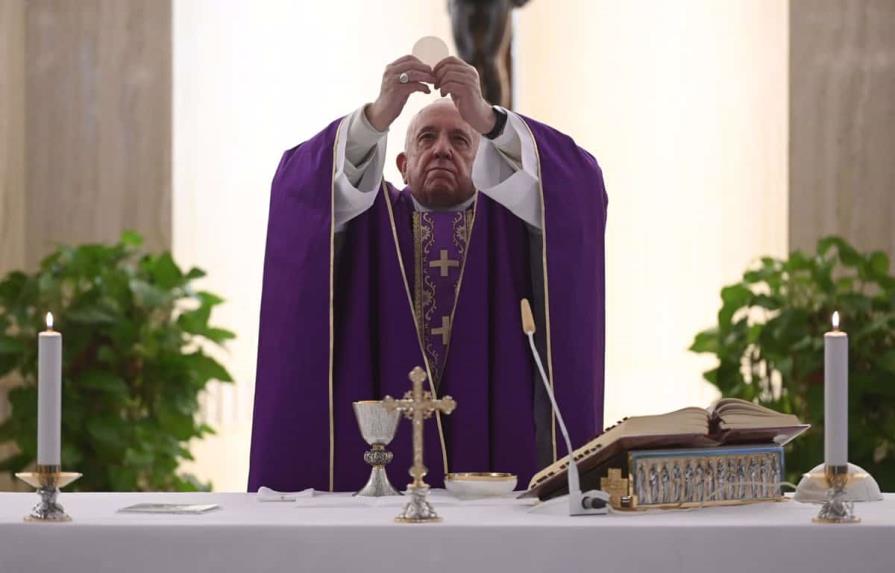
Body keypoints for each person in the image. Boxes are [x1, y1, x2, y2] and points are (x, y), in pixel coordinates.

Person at [248, 55, 607, 493]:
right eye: (426, 138)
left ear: (485, 163)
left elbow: (578, 187)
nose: (442, 149)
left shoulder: (512, 226)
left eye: (461, 139)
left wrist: (491, 121)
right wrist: (374, 118)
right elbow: (300, 191)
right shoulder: (365, 219)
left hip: (496, 448)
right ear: (401, 164)